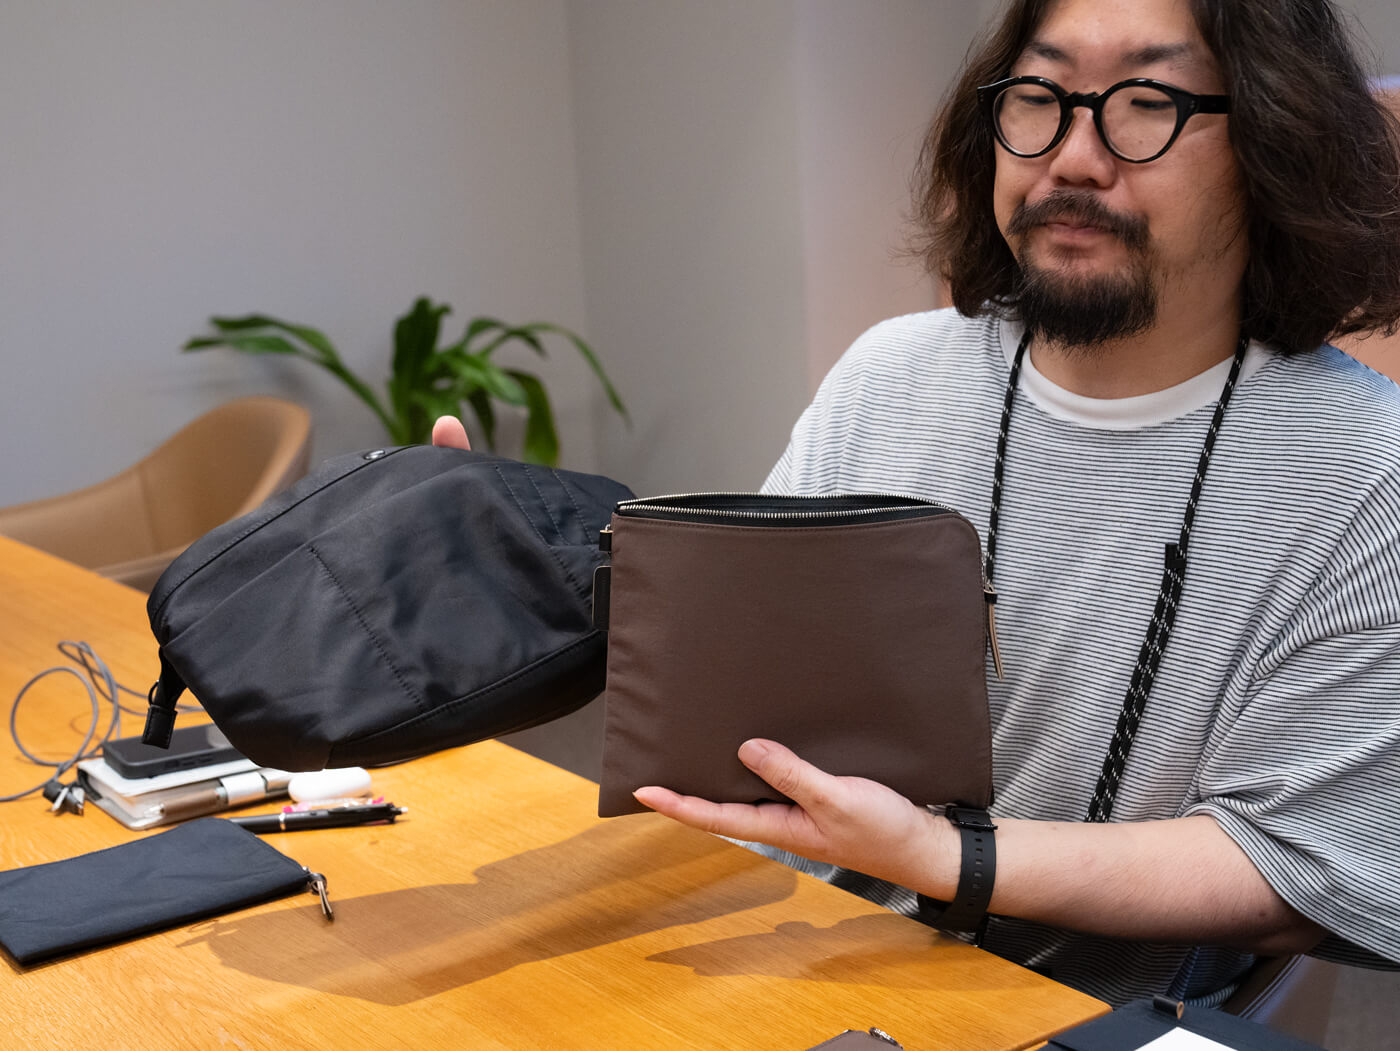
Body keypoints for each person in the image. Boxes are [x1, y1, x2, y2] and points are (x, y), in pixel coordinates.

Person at [436, 0, 1400, 1007]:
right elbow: (749, 674)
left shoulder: (1365, 469)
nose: (1072, 156)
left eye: (1145, 102)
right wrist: (530, 582)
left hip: (1074, 1015)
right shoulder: (890, 375)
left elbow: (1297, 866)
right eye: (1039, 96)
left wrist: (948, 856)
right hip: (797, 958)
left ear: (1273, 142)